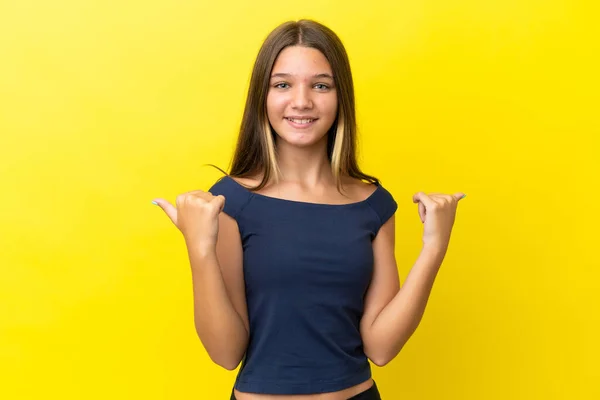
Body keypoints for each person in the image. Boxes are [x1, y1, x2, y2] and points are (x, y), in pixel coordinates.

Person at [153, 19, 465, 400]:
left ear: (340, 96)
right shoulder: (228, 202)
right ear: (262, 97)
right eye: (282, 84)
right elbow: (225, 353)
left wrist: (433, 250)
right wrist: (199, 249)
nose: (302, 101)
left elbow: (381, 349)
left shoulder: (374, 205)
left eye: (320, 85)